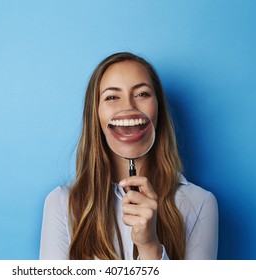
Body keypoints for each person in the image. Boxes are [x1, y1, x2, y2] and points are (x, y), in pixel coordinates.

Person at [39, 52, 218, 260]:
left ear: (158, 108)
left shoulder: (200, 203)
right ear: (95, 114)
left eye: (142, 94)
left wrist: (150, 246)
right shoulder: (62, 203)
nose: (128, 108)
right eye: (112, 97)